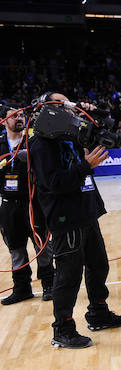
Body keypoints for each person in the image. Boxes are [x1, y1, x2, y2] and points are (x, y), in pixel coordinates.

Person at [30, 92, 121, 348]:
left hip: (86, 211)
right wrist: (84, 167)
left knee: (99, 266)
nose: (68, 108)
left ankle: (98, 313)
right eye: (62, 104)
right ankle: (62, 330)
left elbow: (104, 132)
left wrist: (92, 112)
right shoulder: (41, 144)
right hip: (66, 218)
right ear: (48, 110)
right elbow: (52, 183)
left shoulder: (72, 135)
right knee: (68, 275)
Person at [0, 105, 54, 304]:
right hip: (8, 205)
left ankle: (49, 284)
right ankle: (22, 288)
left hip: (33, 202)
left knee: (42, 244)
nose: (19, 119)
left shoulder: (33, 142)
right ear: (4, 121)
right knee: (15, 247)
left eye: (21, 115)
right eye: (14, 117)